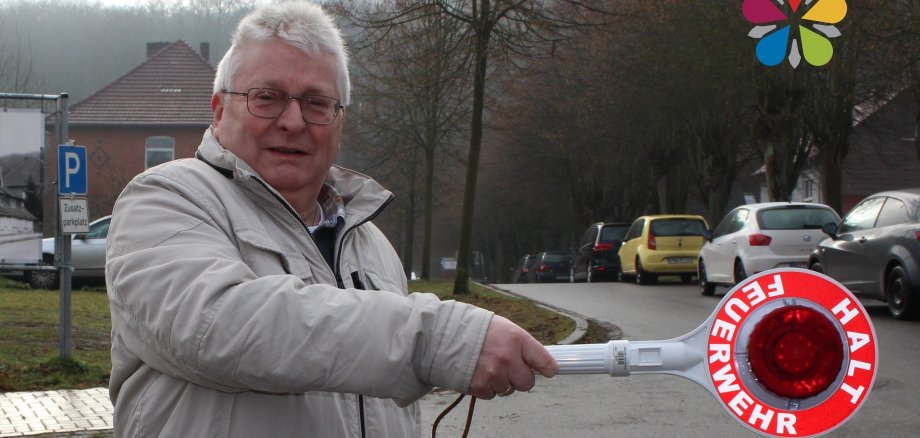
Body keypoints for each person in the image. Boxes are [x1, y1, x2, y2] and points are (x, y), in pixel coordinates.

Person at [104, 1, 558, 436]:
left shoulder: (371, 243)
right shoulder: (165, 199)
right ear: (220, 110)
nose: (293, 121)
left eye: (317, 103)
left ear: (339, 122)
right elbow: (218, 327)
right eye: (267, 98)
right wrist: (437, 339)